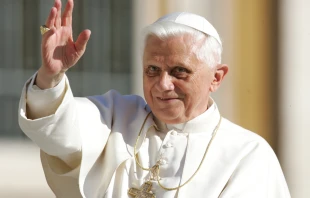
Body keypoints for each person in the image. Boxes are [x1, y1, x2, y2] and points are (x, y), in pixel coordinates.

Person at [18, 0, 290, 197]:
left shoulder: (248, 155)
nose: (163, 84)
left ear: (216, 78)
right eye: (153, 70)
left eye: (179, 71)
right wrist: (51, 77)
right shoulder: (117, 117)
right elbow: (56, 129)